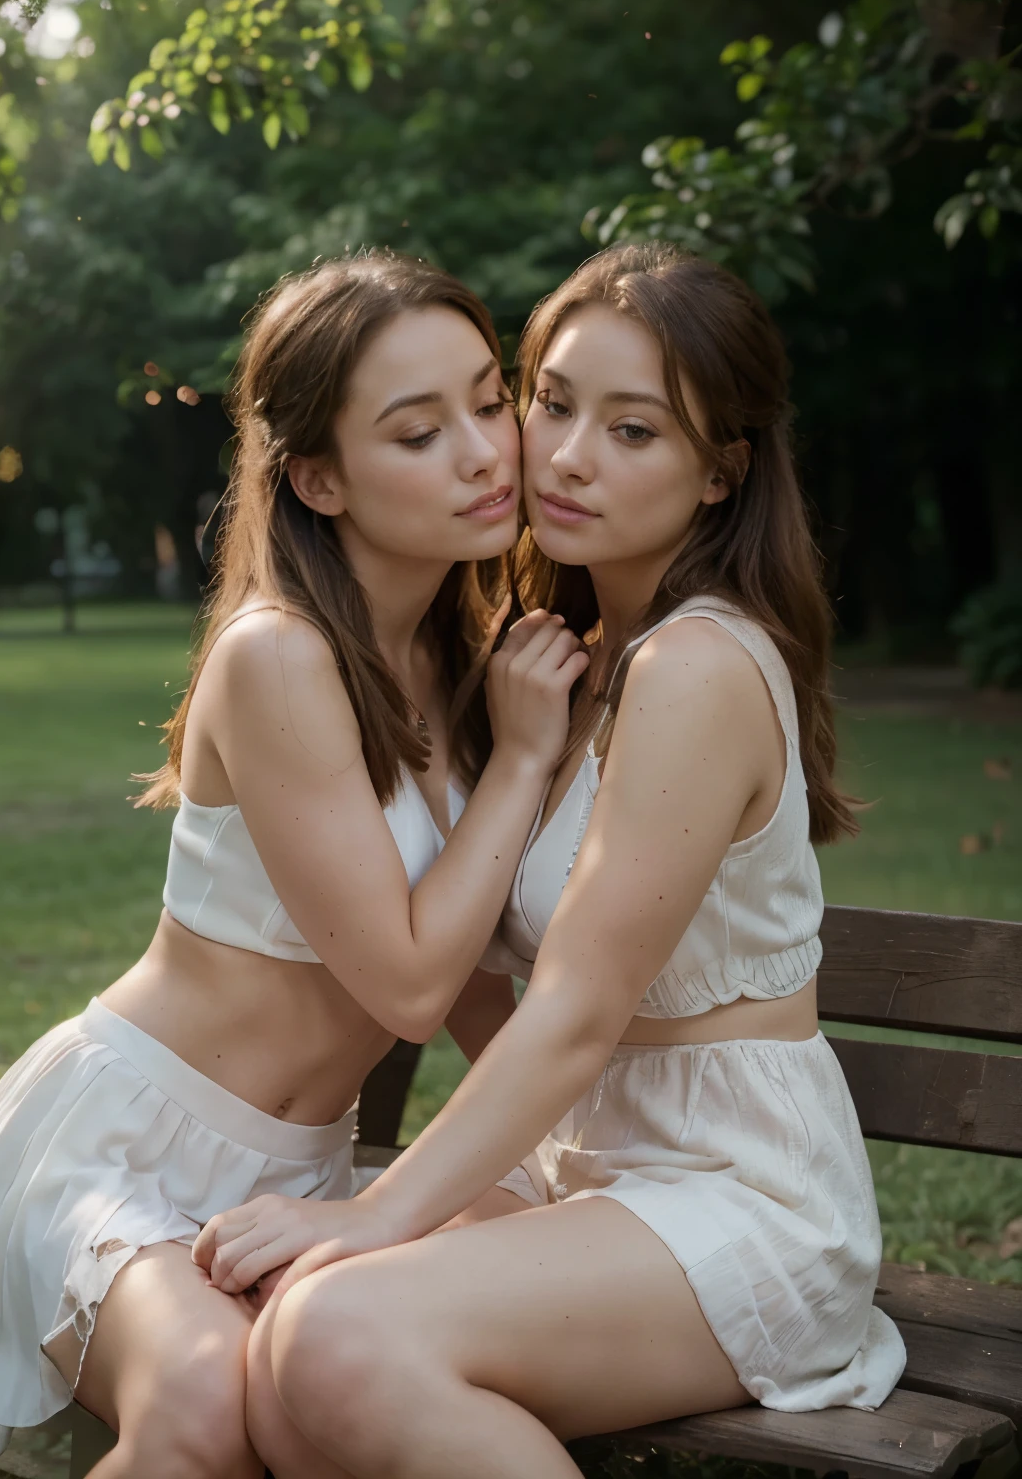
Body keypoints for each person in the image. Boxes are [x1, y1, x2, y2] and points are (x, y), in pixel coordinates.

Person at [197, 243, 907, 1479]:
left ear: (717, 474)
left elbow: (576, 1012)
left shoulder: (696, 667)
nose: (569, 454)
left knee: (338, 1337)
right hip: (586, 1166)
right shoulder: (565, 665)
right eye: (554, 402)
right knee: (277, 1335)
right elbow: (464, 970)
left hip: (738, 1195)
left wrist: (375, 1211)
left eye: (634, 431)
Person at [0, 251, 588, 1477]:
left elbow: (477, 976)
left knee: (306, 1398)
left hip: (298, 1167)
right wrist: (526, 763)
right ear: (316, 478)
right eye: (419, 433)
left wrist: (568, 1150)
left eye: (490, 402)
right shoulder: (279, 657)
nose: (485, 453)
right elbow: (411, 989)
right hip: (131, 1146)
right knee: (207, 1410)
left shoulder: (470, 657)